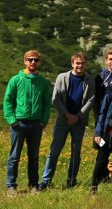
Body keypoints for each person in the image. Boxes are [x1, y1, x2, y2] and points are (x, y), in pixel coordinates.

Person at [39, 52, 97, 190]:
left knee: (76, 153)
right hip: (62, 120)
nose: (80, 66)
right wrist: (67, 115)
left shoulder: (90, 80)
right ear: (72, 64)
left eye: (82, 63)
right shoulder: (62, 77)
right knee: (54, 151)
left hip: (79, 122)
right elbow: (55, 98)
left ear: (86, 64)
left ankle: (71, 181)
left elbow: (91, 100)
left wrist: (77, 116)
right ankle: (46, 181)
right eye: (77, 63)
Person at [4, 50, 52, 196]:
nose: (33, 62)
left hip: (36, 125)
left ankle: (33, 185)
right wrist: (12, 121)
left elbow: (46, 104)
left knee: (34, 157)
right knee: (14, 157)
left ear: (39, 63)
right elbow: (8, 101)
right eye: (30, 60)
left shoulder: (43, 82)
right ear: (25, 61)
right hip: (19, 125)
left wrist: (43, 122)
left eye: (36, 60)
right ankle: (11, 186)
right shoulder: (15, 80)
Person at [94, 49, 112, 124]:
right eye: (110, 59)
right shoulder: (100, 76)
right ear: (106, 61)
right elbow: (96, 99)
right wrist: (97, 117)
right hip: (103, 113)